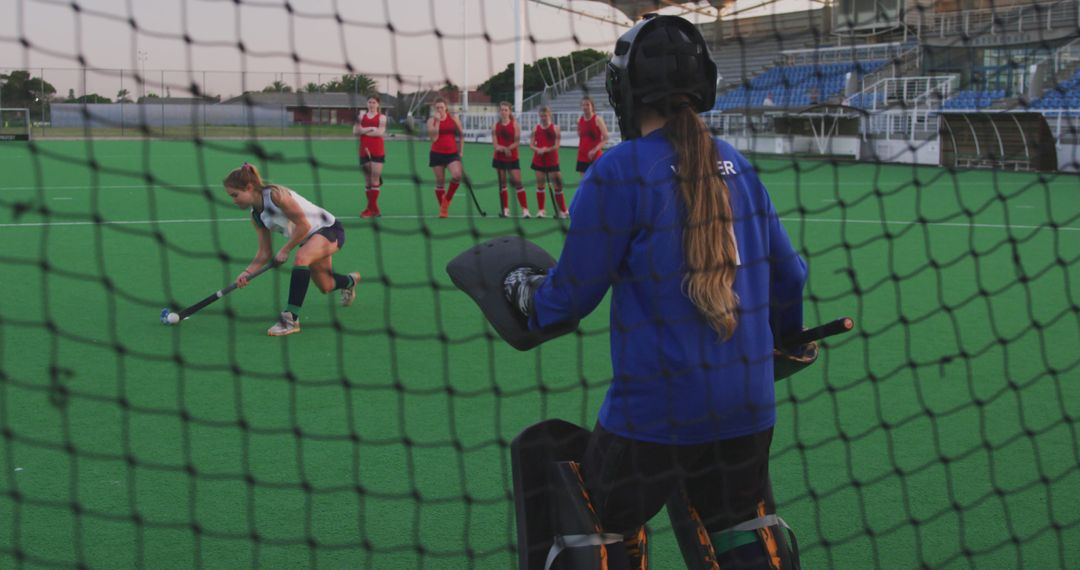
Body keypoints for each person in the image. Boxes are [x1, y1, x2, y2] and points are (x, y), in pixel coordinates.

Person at [504, 15, 806, 568]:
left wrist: (527, 295)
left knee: (594, 522)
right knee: (737, 527)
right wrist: (786, 338)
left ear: (624, 90)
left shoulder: (618, 172)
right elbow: (792, 280)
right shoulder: (739, 165)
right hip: (750, 414)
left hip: (653, 421)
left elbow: (566, 301)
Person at [224, 163, 360, 336]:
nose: (234, 200)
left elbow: (304, 225)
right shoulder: (256, 216)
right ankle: (350, 281)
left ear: (249, 188)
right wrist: (247, 272)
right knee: (326, 285)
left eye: (235, 195)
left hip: (328, 229)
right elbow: (265, 252)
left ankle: (290, 319)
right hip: (307, 238)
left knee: (301, 258)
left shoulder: (276, 196)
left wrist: (286, 249)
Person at [427, 97, 465, 219]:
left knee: (457, 175)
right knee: (440, 182)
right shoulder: (431, 121)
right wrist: (437, 122)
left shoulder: (453, 119)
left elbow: (461, 135)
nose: (439, 110)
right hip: (436, 154)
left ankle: (446, 200)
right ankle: (443, 209)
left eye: (441, 107)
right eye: (437, 108)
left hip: (452, 154)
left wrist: (461, 151)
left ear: (446, 108)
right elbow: (434, 138)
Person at [528, 106, 569, 219]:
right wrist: (538, 150)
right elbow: (531, 145)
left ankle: (563, 211)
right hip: (538, 160)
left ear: (549, 115)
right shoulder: (535, 129)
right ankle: (541, 210)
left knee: (557, 186)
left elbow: (557, 145)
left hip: (552, 160)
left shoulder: (555, 128)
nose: (543, 118)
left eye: (545, 115)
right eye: (541, 116)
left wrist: (546, 149)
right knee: (540, 185)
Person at [491, 101, 530, 218]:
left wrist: (508, 149)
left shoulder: (514, 125)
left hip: (512, 158)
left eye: (505, 110)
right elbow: (495, 145)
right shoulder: (495, 126)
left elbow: (517, 142)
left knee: (518, 182)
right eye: (501, 110)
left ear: (510, 111)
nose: (503, 112)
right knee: (502, 184)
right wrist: (503, 149)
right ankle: (505, 210)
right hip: (499, 158)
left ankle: (525, 210)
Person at [353, 95, 387, 218]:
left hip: (377, 150)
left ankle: (369, 209)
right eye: (370, 102)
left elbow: (380, 132)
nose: (372, 104)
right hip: (363, 150)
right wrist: (370, 128)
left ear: (378, 104)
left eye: (374, 102)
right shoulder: (361, 116)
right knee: (368, 181)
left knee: (374, 179)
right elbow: (355, 131)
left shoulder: (382, 117)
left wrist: (363, 130)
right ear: (367, 104)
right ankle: (375, 209)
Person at [575, 96, 609, 174]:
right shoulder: (579, 120)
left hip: (595, 155)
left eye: (587, 105)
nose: (585, 107)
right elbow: (580, 135)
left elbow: (606, 138)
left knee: (596, 181)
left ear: (592, 106)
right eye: (583, 105)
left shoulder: (597, 119)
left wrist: (594, 150)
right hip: (582, 155)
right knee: (584, 182)